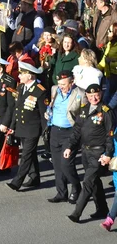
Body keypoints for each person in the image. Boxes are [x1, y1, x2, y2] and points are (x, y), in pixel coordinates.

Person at [65, 84, 113, 223]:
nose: (94, 98)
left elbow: (110, 135)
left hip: (98, 152)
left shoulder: (106, 111)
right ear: (86, 96)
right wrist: (69, 146)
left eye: (96, 95)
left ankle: (76, 213)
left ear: (101, 94)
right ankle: (102, 209)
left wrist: (108, 153)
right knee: (94, 181)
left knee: (87, 182)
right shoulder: (84, 109)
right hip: (85, 151)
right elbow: (77, 130)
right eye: (90, 95)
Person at [6, 60, 48, 191]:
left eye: (21, 74)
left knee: (26, 155)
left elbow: (43, 114)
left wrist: (46, 131)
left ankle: (17, 181)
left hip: (33, 128)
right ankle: (34, 177)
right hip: (21, 127)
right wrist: (12, 126)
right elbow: (17, 109)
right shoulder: (21, 87)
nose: (19, 76)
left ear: (29, 76)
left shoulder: (40, 91)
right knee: (31, 154)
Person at [46, 70, 86, 204]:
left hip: (70, 132)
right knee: (57, 166)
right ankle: (61, 192)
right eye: (59, 83)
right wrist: (48, 112)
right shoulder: (55, 90)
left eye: (64, 84)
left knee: (66, 164)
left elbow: (83, 116)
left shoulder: (80, 93)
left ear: (72, 82)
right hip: (55, 131)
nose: (61, 86)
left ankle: (77, 188)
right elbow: (51, 105)